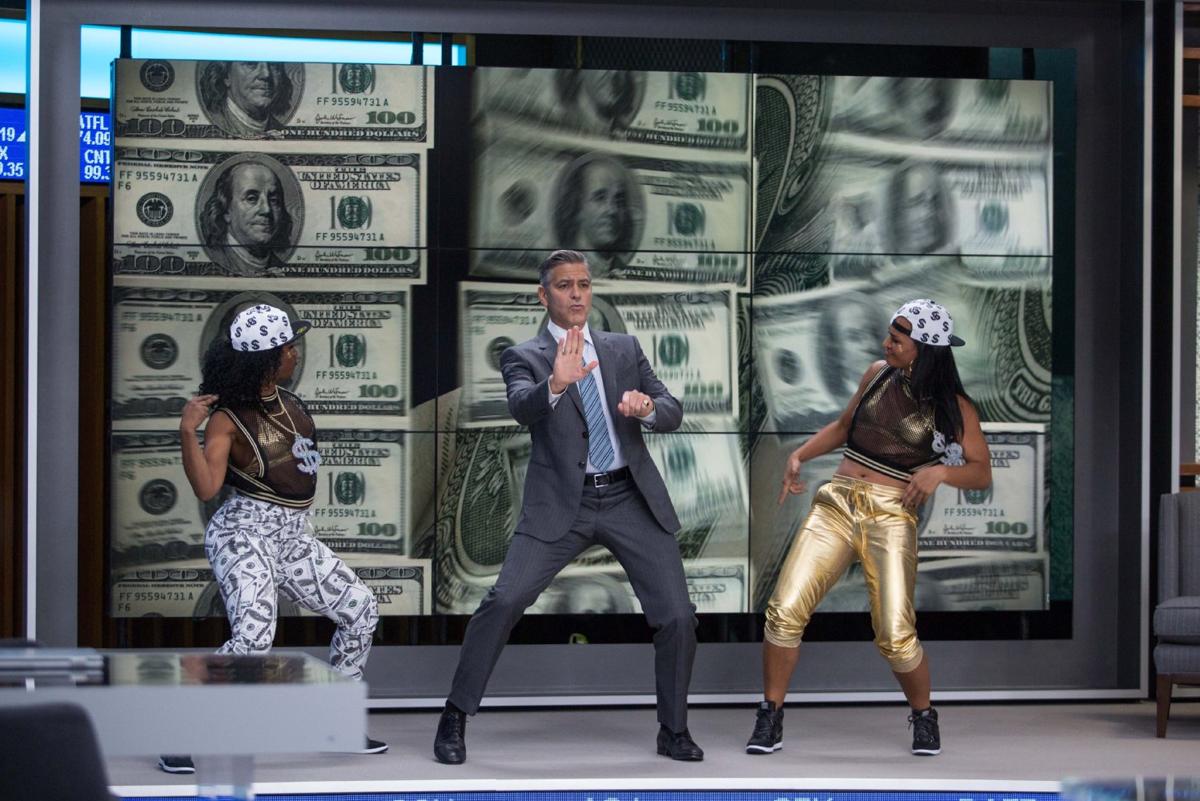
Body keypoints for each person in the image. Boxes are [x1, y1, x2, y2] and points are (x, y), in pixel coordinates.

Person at [433, 249, 703, 764]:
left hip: (628, 497)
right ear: (544, 295)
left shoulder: (623, 348)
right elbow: (521, 407)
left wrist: (648, 408)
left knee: (676, 616)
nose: (577, 294)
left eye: (583, 284)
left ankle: (673, 730)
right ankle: (454, 714)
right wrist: (556, 381)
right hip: (563, 501)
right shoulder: (525, 356)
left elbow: (671, 409)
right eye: (564, 285)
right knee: (504, 601)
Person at [746, 298, 991, 758]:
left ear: (924, 349)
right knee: (783, 611)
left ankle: (923, 715)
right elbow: (844, 426)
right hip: (837, 503)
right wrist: (800, 455)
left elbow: (980, 472)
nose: (886, 344)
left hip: (890, 514)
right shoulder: (877, 374)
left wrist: (940, 472)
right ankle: (770, 714)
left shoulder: (954, 408)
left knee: (895, 634)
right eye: (889, 336)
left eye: (896, 339)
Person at [157, 303, 386, 775]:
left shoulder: (290, 402)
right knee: (254, 636)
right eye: (287, 348)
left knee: (361, 608)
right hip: (243, 534)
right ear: (265, 358)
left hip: (292, 536)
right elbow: (207, 487)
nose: (295, 354)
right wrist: (186, 430)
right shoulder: (227, 419)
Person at [199, 159, 295, 277]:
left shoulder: (284, 270)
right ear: (226, 210)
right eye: (251, 199)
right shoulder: (215, 261)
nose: (267, 209)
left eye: (274, 200)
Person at [553, 156, 639, 275]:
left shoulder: (620, 269)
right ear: (576, 206)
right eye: (600, 198)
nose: (612, 210)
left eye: (619, 200)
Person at [199, 61, 295, 137]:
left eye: (274, 65)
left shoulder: (283, 131)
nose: (266, 74)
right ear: (226, 75)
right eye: (251, 63)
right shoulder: (215, 122)